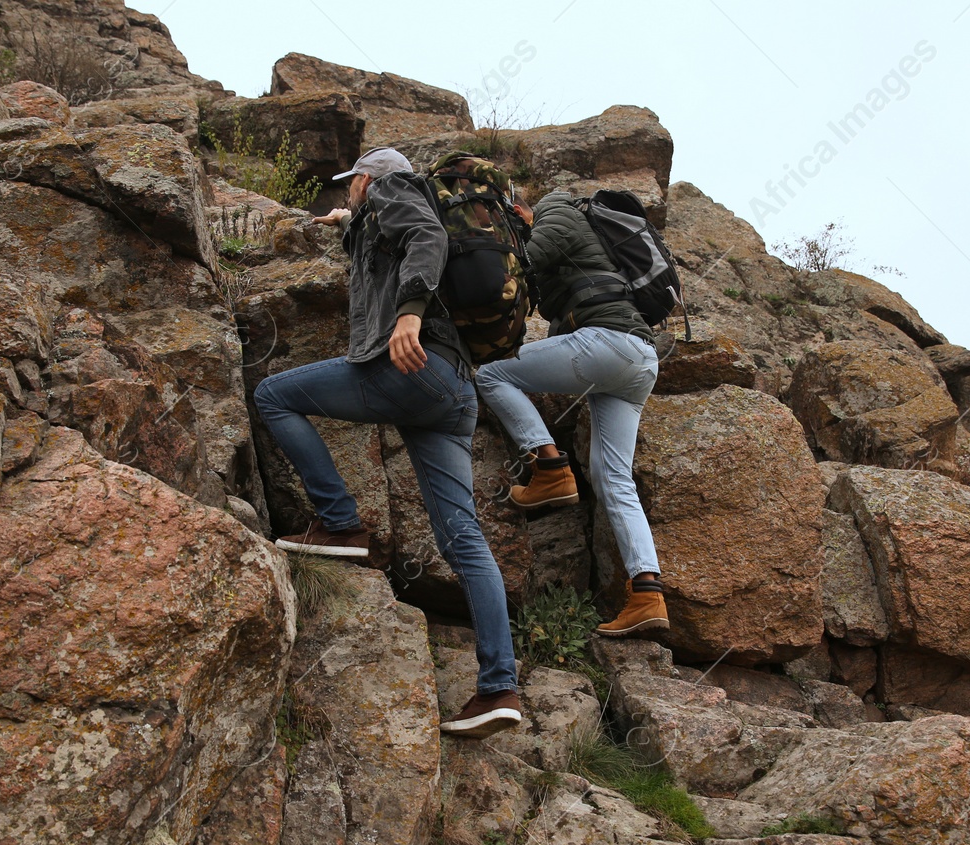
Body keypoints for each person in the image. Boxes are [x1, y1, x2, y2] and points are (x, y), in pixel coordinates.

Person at [252, 147, 522, 739]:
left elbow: (425, 236)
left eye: (351, 187)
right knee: (464, 541)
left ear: (366, 179)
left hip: (409, 367)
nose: (349, 195)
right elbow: (392, 239)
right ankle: (500, 687)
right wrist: (343, 226)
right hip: (453, 392)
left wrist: (408, 317)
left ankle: (341, 523)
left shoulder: (391, 192)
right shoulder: (374, 216)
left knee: (274, 395)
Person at [473, 191, 669, 637]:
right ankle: (648, 594)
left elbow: (520, 261)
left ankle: (548, 467)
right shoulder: (579, 233)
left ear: (522, 207)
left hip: (609, 344)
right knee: (612, 477)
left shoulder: (558, 209)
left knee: (491, 375)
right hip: (636, 362)